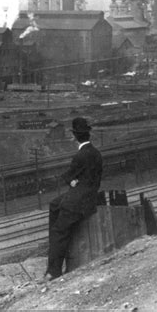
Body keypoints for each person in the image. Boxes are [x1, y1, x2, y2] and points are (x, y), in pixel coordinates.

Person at [45, 117, 103, 280]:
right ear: (87, 135)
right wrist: (73, 181)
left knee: (58, 230)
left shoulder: (80, 156)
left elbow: (68, 176)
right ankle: (53, 260)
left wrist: (71, 181)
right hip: (88, 195)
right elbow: (86, 179)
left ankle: (53, 271)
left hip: (79, 200)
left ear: (75, 136)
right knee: (54, 205)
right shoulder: (96, 153)